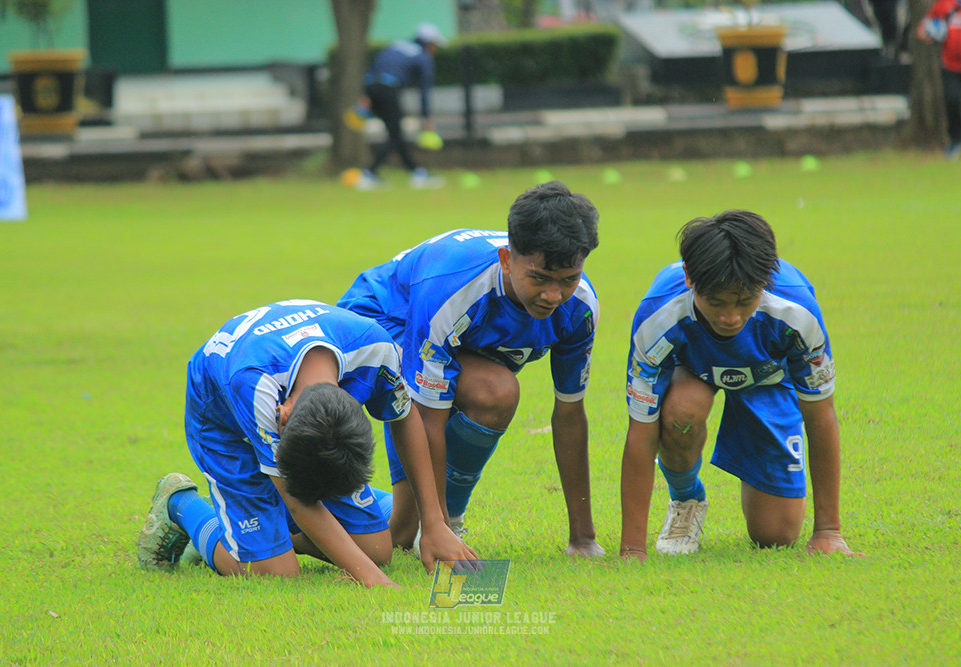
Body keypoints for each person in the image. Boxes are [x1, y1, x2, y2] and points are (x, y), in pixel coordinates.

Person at [338, 181, 604, 557]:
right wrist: (435, 525)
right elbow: (426, 414)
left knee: (398, 534)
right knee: (493, 391)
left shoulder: (579, 308)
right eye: (540, 279)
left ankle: (421, 524)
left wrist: (583, 538)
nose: (553, 296)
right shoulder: (453, 292)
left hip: (464, 344)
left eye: (568, 279)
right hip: (382, 322)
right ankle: (432, 527)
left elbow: (570, 414)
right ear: (507, 260)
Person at [136, 299, 475, 587]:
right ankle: (181, 505)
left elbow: (404, 417)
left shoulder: (376, 349)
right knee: (273, 573)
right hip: (219, 411)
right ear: (282, 415)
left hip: (280, 369)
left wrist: (434, 522)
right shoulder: (255, 388)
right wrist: (374, 582)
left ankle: (258, 530)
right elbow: (297, 499)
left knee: (377, 551)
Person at [619, 210, 862, 561]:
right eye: (715, 303)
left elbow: (820, 413)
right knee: (680, 412)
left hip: (769, 376)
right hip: (695, 371)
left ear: (765, 280)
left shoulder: (796, 310)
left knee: (775, 535)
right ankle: (686, 497)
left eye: (744, 302)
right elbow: (640, 430)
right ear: (689, 278)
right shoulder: (658, 314)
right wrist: (632, 549)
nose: (730, 317)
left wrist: (828, 531)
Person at [352, 23, 447, 190]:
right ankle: (368, 174)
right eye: (434, 45)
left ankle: (417, 173)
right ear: (428, 43)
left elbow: (373, 69)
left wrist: (365, 97)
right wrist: (426, 118)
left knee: (396, 134)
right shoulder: (423, 57)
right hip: (388, 90)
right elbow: (424, 90)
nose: (435, 49)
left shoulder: (396, 46)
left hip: (373, 88)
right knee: (395, 136)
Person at [917, 0, 961, 159]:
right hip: (950, 65)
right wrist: (931, 35)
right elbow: (921, 30)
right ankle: (956, 140)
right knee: (952, 101)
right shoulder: (944, 4)